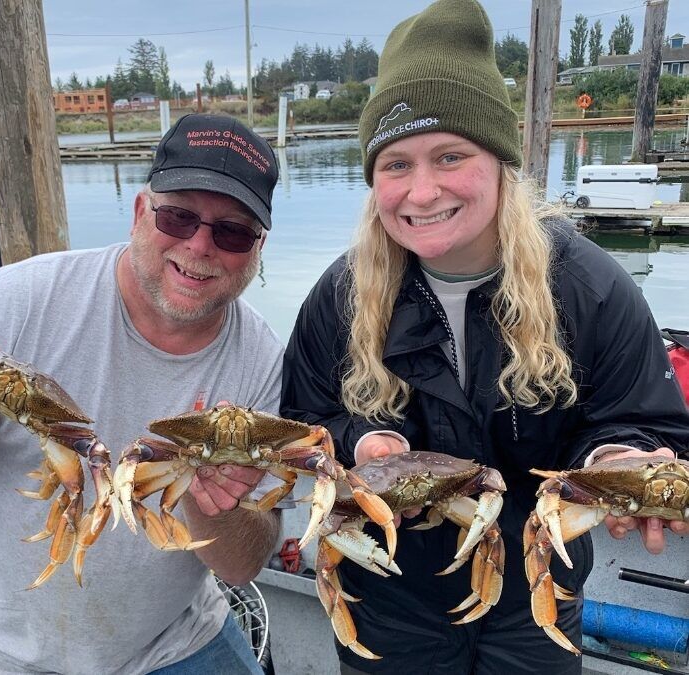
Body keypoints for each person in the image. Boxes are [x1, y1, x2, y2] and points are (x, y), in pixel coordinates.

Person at [280, 1, 689, 673]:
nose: (423, 190)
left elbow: (640, 417)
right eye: (396, 164)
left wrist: (620, 453)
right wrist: (359, 442)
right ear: (372, 179)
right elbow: (302, 422)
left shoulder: (590, 287)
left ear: (500, 160)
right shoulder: (340, 296)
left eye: (450, 155)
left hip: (540, 595)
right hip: (384, 597)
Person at [0, 113, 285, 674]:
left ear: (258, 248)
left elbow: (241, 566)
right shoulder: (17, 302)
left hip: (180, 642)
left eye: (233, 231)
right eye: (177, 216)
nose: (200, 246)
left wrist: (210, 507)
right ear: (141, 212)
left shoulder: (258, 357)